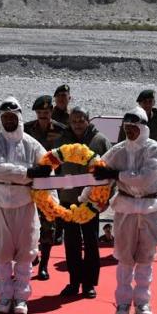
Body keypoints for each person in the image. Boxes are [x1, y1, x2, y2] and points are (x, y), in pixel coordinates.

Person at [93, 106, 157, 314]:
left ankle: (143, 303)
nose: (129, 131)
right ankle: (123, 303)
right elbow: (98, 170)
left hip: (150, 209)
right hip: (125, 209)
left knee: (145, 258)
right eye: (126, 128)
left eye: (133, 127)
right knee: (125, 259)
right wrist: (86, 198)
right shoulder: (118, 150)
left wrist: (116, 174)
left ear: (142, 128)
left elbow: (145, 178)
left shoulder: (156, 149)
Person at [0, 97, 49, 314]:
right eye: (5, 117)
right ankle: (4, 296)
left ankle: (21, 296)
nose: (9, 121)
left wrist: (52, 204)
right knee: (0, 252)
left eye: (12, 117)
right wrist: (29, 172)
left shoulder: (32, 145)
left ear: (19, 117)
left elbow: (48, 169)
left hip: (24, 203)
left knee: (25, 252)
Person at [57, 107, 111, 298]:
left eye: (81, 120)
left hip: (91, 201)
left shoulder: (100, 141)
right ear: (69, 122)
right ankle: (74, 282)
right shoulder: (61, 141)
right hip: (68, 200)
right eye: (74, 121)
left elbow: (110, 172)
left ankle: (89, 283)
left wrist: (106, 198)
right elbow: (54, 169)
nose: (77, 124)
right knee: (71, 242)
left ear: (88, 120)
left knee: (90, 242)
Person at [24, 95, 67, 280]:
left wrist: (63, 181)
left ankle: (44, 265)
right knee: (28, 223)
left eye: (46, 112)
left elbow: (67, 156)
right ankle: (32, 254)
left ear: (51, 112)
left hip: (51, 183)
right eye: (40, 112)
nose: (43, 115)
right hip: (30, 183)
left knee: (49, 224)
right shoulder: (26, 129)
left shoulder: (61, 130)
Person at [117, 89, 157, 188]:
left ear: (154, 102)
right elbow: (121, 145)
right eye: (144, 102)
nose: (147, 104)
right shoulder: (130, 121)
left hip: (155, 172)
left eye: (150, 101)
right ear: (139, 103)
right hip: (132, 170)